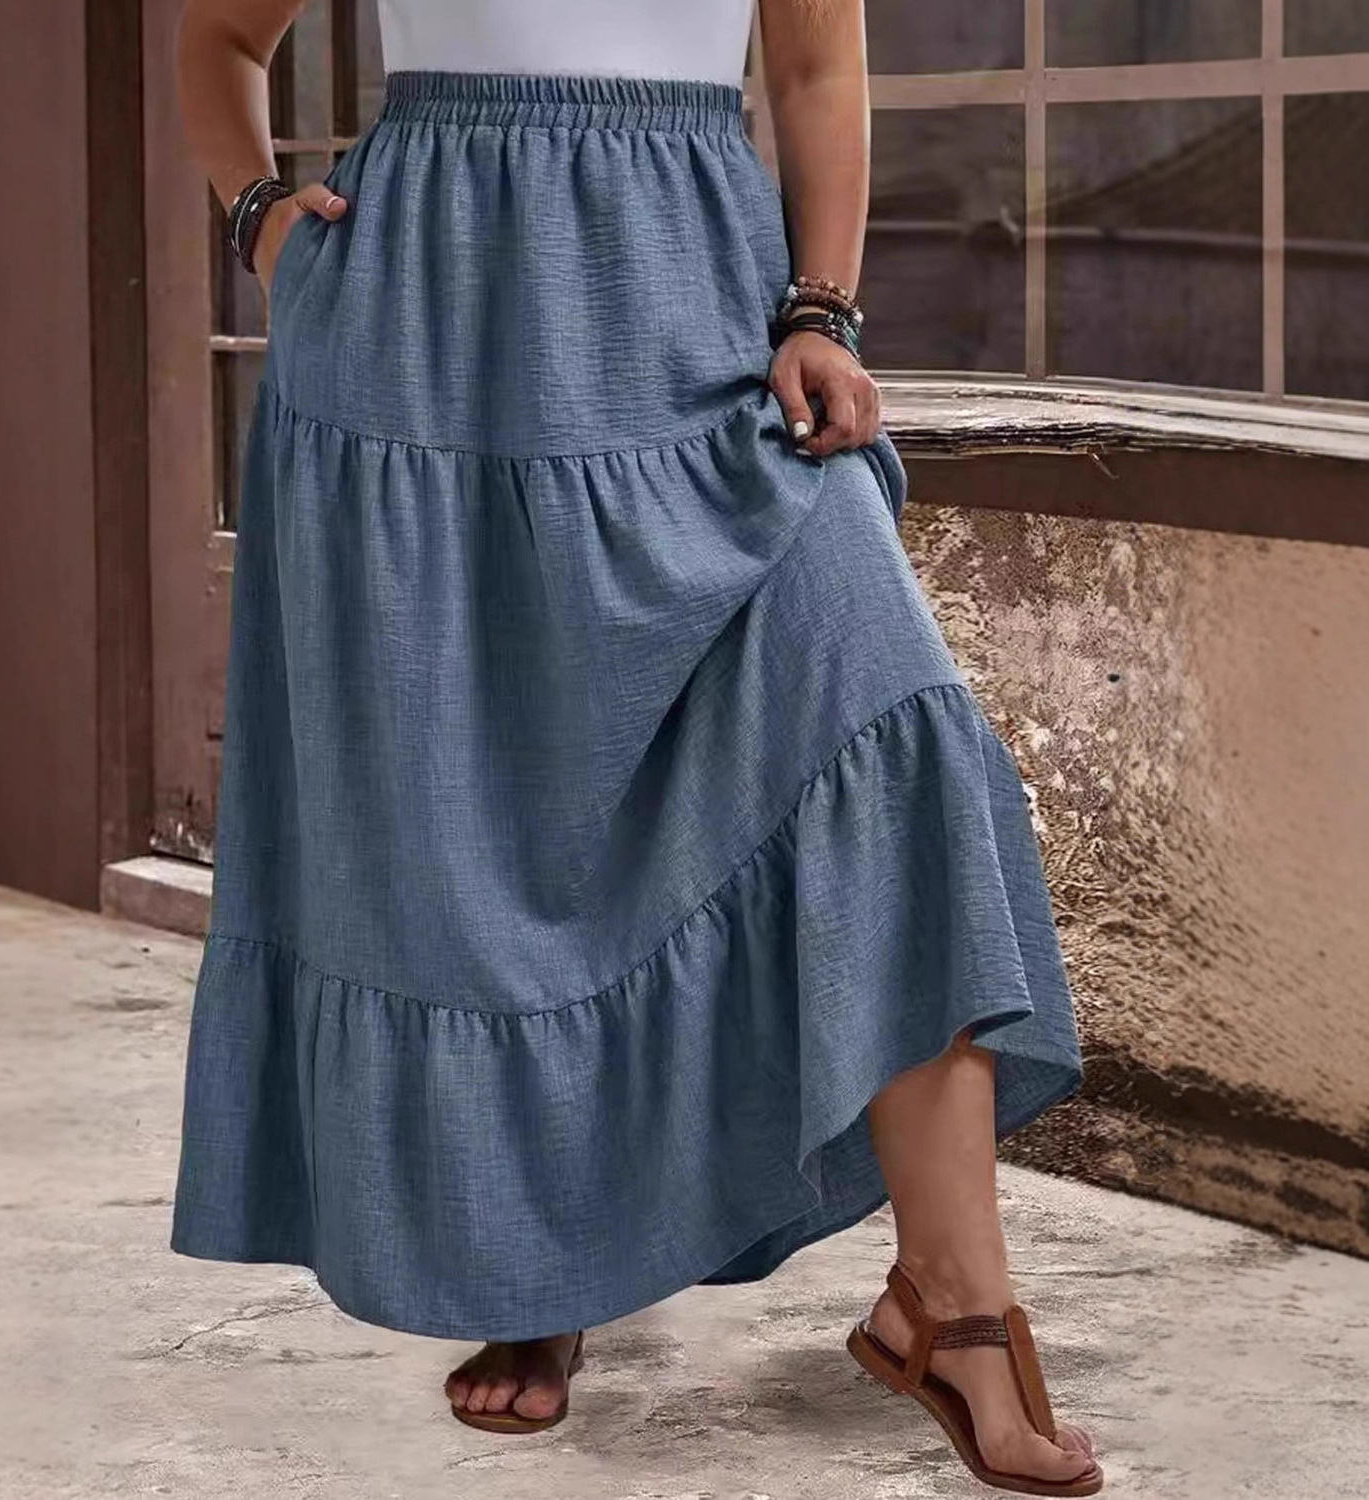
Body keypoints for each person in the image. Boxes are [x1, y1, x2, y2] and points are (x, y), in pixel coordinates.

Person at [168, 1, 1104, 1493]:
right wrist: (264, 218)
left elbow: (815, 63)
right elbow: (218, 38)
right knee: (481, 820)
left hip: (697, 321)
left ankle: (952, 1299)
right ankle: (534, 1270)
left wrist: (823, 310)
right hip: (425, 338)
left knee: (893, 722)